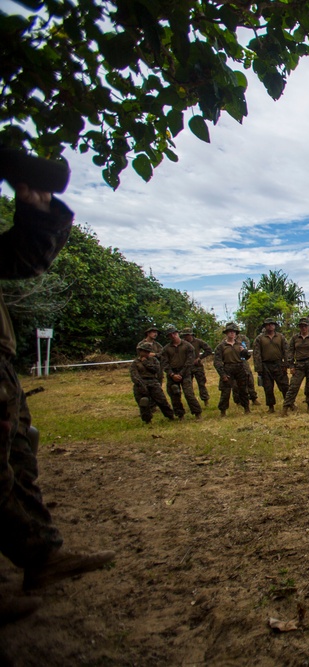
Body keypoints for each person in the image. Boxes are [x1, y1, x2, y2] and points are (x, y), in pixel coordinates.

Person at [0, 180, 114, 610]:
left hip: (3, 367)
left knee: (18, 458)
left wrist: (36, 206)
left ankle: (40, 555)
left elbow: (24, 259)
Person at [158, 325, 202, 420]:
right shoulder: (166, 349)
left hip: (185, 373)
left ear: (177, 333)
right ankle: (180, 414)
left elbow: (190, 361)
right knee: (174, 395)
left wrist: (181, 374)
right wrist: (172, 374)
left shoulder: (188, 346)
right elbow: (164, 363)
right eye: (170, 335)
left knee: (189, 394)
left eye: (174, 333)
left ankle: (197, 413)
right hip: (172, 373)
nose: (173, 336)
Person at [283, 317, 309, 415]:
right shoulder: (295, 338)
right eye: (301, 326)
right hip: (299, 365)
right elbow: (290, 352)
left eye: (305, 326)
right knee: (293, 386)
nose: (303, 328)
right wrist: (291, 365)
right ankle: (286, 407)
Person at [130, 341, 175, 424]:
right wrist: (141, 385)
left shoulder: (154, 360)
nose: (145, 353)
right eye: (144, 351)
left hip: (153, 382)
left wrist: (145, 363)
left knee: (162, 401)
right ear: (140, 351)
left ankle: (170, 416)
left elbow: (156, 370)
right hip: (140, 384)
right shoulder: (135, 363)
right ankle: (147, 420)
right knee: (144, 402)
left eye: (147, 352)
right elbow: (134, 375)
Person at [252, 318, 289, 413]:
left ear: (275, 325)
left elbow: (286, 350)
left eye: (272, 324)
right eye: (268, 324)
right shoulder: (259, 339)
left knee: (284, 386)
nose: (270, 326)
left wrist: (286, 364)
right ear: (265, 326)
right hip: (265, 365)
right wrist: (259, 368)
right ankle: (271, 407)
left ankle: (289, 403)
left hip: (279, 364)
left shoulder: (280, 337)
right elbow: (256, 354)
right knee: (268, 387)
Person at [214, 323, 251, 415]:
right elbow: (217, 362)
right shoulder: (221, 346)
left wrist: (244, 351)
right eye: (230, 332)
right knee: (225, 391)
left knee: (243, 389)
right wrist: (222, 374)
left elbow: (246, 357)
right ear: (226, 333)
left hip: (240, 367)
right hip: (228, 368)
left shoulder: (240, 344)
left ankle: (246, 408)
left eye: (234, 332)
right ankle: (223, 411)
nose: (232, 334)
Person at [181, 328, 212, 404]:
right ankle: (193, 402)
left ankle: (205, 400)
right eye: (184, 335)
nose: (186, 337)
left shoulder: (198, 342)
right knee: (188, 385)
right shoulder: (182, 343)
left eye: (187, 335)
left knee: (201, 384)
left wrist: (199, 358)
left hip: (197, 366)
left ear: (191, 334)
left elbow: (209, 350)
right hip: (186, 367)